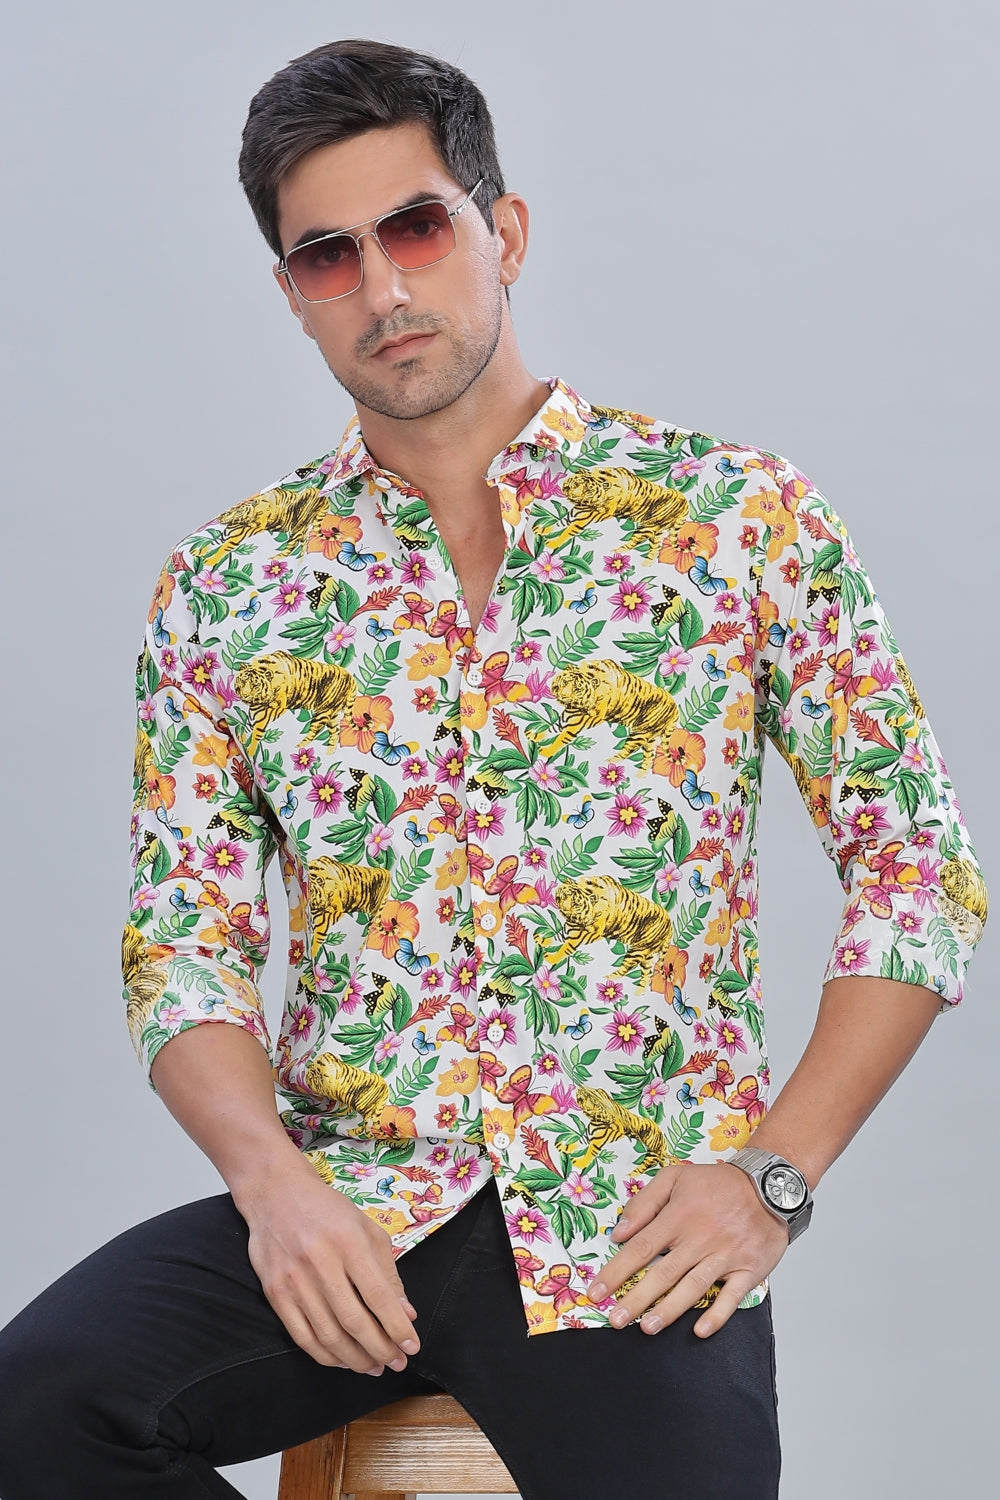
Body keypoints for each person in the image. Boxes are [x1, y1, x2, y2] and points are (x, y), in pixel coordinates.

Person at [0, 36, 988, 1500]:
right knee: (31, 1414)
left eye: (415, 228)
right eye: (328, 256)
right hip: (356, 1211)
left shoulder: (732, 517)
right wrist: (272, 1188)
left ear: (502, 230)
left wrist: (771, 1179)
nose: (382, 289)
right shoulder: (230, 584)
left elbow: (919, 872)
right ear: (292, 291)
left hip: (628, 1231)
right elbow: (181, 945)